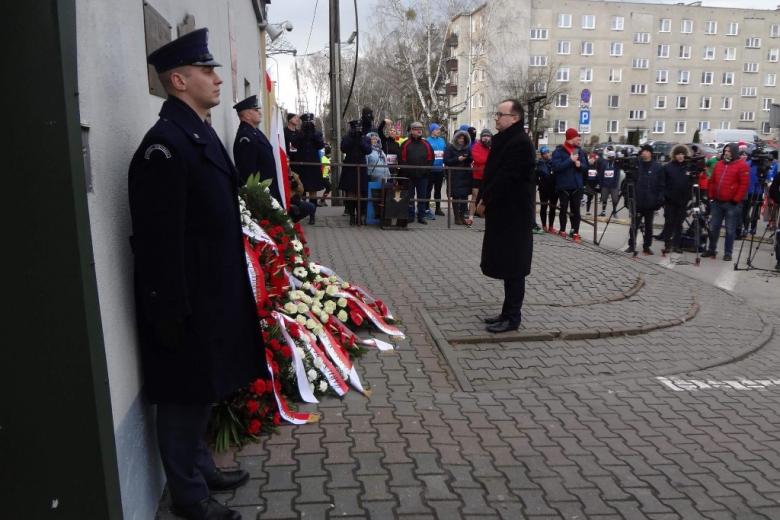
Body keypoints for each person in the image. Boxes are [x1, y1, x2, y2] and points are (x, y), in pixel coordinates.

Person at [129, 28, 264, 520]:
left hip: (211, 291)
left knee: (202, 386)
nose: (217, 78)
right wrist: (170, 308)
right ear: (179, 80)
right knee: (182, 393)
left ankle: (201, 465)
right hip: (184, 298)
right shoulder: (163, 145)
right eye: (207, 70)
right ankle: (188, 496)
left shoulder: (197, 130)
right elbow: (160, 241)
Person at [476, 99, 535, 333]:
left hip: (514, 215)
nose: (496, 118)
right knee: (507, 265)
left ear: (515, 118)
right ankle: (506, 312)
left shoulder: (520, 143)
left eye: (501, 114)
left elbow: (506, 178)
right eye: (497, 114)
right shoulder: (506, 141)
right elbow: (493, 174)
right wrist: (483, 198)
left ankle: (513, 317)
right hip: (503, 213)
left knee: (514, 268)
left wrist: (486, 199)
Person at [702, 143, 750, 261]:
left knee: (730, 229)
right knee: (713, 227)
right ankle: (711, 249)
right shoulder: (719, 164)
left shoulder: (741, 166)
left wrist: (736, 200)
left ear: (734, 152)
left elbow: (743, 185)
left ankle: (728, 253)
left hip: (731, 204)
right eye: (725, 151)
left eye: (728, 151)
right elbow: (712, 181)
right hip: (717, 202)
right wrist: (711, 196)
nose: (726, 153)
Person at [232, 95, 278, 200]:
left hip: (268, 189)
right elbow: (248, 173)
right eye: (256, 110)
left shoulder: (254, 131)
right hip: (260, 194)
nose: (260, 112)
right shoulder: (245, 137)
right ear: (247, 115)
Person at [626, 144, 665, 255]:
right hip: (638, 201)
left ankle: (647, 246)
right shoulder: (637, 165)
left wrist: (659, 199)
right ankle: (631, 245)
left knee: (649, 226)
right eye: (642, 151)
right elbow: (631, 181)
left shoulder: (657, 167)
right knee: (634, 224)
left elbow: (661, 185)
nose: (643, 153)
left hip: (650, 202)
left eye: (646, 151)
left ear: (650, 153)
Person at [550, 128, 588, 241]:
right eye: (578, 139)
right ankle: (562, 230)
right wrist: (570, 160)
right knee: (563, 209)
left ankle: (575, 232)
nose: (579, 141)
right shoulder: (559, 151)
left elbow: (585, 168)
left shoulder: (579, 151)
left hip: (577, 186)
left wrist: (580, 165)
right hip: (564, 186)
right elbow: (556, 167)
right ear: (571, 138)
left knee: (576, 210)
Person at [291, 114, 325, 223]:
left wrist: (313, 133)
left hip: (313, 165)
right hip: (302, 165)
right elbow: (294, 144)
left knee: (313, 190)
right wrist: (302, 133)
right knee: (301, 190)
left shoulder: (317, 133)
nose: (308, 125)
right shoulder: (299, 133)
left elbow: (320, 145)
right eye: (307, 123)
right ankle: (302, 212)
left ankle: (312, 214)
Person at [399, 122, 434, 224]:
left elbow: (431, 159)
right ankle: (410, 215)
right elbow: (402, 159)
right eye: (416, 129)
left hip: (423, 176)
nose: (419, 131)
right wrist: (408, 171)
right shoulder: (406, 144)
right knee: (410, 196)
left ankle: (421, 216)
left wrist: (425, 171)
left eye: (420, 129)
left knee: (422, 196)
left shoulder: (426, 144)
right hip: (409, 176)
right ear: (411, 130)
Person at [339, 120, 372, 225]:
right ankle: (352, 215)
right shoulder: (347, 137)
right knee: (350, 192)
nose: (358, 130)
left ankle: (360, 215)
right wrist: (352, 138)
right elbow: (343, 148)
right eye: (356, 128)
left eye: (359, 128)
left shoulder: (365, 138)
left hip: (361, 168)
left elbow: (368, 150)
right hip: (350, 168)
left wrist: (360, 139)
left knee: (361, 192)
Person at [662, 144, 693, 253]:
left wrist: (689, 197)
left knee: (679, 224)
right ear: (674, 155)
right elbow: (663, 183)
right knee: (669, 222)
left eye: (682, 154)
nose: (680, 156)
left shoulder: (689, 167)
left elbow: (691, 184)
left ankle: (676, 245)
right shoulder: (667, 167)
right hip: (670, 201)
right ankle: (667, 244)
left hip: (682, 201)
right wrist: (665, 196)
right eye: (678, 154)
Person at [443, 129, 472, 224]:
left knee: (464, 196)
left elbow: (471, 159)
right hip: (454, 175)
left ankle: (462, 216)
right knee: (455, 196)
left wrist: (467, 158)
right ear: (456, 139)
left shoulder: (467, 148)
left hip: (465, 175)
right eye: (460, 138)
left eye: (463, 138)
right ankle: (456, 217)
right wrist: (458, 159)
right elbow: (446, 161)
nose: (461, 140)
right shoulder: (450, 148)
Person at [468, 129, 491, 220]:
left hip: (488, 176)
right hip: (477, 176)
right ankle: (470, 218)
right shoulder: (476, 146)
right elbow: (478, 159)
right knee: (475, 196)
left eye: (488, 136)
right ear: (481, 137)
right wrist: (489, 160)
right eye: (484, 136)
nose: (486, 138)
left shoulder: (492, 146)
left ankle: (486, 215)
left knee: (488, 197)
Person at [426, 123, 447, 218]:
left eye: (439, 129)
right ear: (432, 131)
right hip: (430, 170)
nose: (439, 131)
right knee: (428, 190)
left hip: (440, 170)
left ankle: (438, 209)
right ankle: (426, 208)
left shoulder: (442, 140)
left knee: (438, 190)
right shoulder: (427, 141)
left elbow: (445, 153)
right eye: (437, 129)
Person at [536, 145, 557, 232]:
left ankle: (551, 226)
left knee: (553, 207)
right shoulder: (541, 162)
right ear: (542, 154)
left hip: (553, 188)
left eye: (548, 152)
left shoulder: (552, 162)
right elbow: (545, 174)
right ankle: (544, 225)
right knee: (544, 207)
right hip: (544, 188)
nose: (547, 154)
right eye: (545, 153)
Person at [598, 148, 621, 217]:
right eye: (610, 157)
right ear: (608, 157)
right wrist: (601, 184)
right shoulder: (604, 164)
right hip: (605, 185)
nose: (611, 158)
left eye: (612, 157)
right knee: (604, 198)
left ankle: (614, 211)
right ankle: (603, 211)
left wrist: (615, 184)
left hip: (614, 185)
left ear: (614, 157)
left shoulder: (616, 165)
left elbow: (617, 175)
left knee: (614, 199)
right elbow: (601, 174)